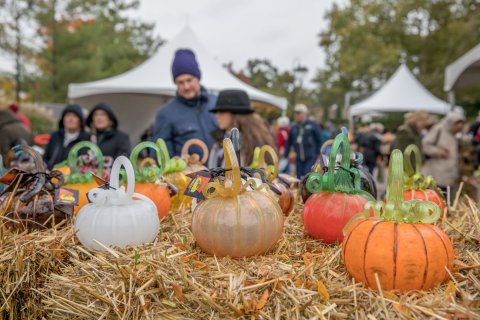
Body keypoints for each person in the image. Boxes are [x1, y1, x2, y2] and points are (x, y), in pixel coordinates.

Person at [153, 49, 218, 156]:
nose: (186, 87)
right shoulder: (165, 113)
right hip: (188, 172)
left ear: (198, 78)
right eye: (180, 82)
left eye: (189, 80)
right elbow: (160, 157)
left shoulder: (216, 103)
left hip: (222, 171)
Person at [208, 89, 277, 167]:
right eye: (216, 112)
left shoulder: (252, 143)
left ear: (236, 114)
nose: (217, 115)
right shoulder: (219, 140)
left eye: (222, 111)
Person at [422, 112, 465, 195]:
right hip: (436, 173)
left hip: (450, 174)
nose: (458, 130)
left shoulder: (455, 135)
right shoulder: (438, 129)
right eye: (457, 127)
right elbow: (425, 145)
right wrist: (438, 152)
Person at [43, 104, 90, 169]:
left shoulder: (86, 140)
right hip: (50, 175)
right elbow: (46, 158)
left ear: (80, 120)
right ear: (63, 119)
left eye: (74, 116)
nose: (70, 119)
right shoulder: (55, 135)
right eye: (67, 115)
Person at [284, 104, 323, 178]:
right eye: (295, 113)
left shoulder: (312, 125)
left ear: (305, 113)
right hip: (298, 157)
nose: (297, 115)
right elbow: (289, 142)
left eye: (299, 113)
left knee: (306, 175)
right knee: (299, 176)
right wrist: (285, 156)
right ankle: (300, 189)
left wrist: (319, 154)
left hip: (310, 156)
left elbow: (319, 139)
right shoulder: (294, 127)